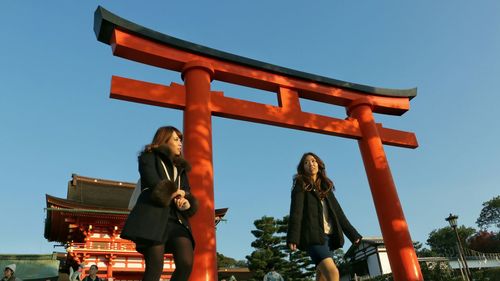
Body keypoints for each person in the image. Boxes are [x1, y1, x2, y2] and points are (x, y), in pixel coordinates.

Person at [121, 126, 199, 281]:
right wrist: (175, 191)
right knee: (155, 268)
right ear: (164, 140)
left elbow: (186, 190)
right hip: (153, 217)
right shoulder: (148, 157)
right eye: (176, 139)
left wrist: (185, 200)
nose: (180, 143)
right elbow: (153, 181)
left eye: (180, 140)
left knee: (186, 263)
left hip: (176, 219)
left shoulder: (180, 167)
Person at [287, 152, 362, 281]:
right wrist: (293, 237)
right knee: (332, 273)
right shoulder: (301, 185)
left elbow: (338, 213)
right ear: (302, 168)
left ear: (319, 164)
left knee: (321, 277)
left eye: (313, 161)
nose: (311, 164)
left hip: (329, 237)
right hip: (313, 237)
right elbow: (296, 212)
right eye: (306, 162)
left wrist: (353, 234)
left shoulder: (326, 187)